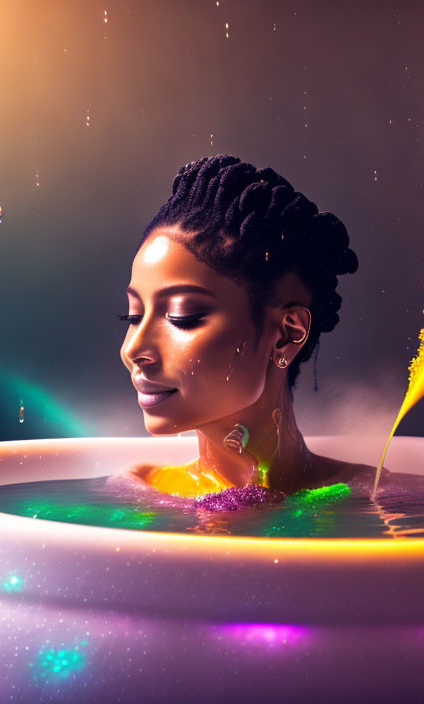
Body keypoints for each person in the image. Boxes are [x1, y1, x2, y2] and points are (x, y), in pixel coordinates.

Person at [119, 155, 373, 502]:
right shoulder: (136, 491)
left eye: (182, 316)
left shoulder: (375, 497)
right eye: (133, 316)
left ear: (286, 335)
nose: (134, 350)